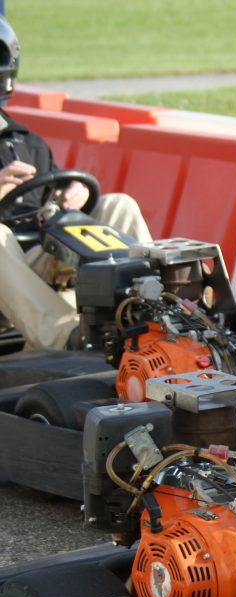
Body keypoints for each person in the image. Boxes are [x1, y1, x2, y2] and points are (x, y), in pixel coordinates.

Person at [0, 15, 152, 350]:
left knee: (118, 205)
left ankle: (154, 311)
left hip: (38, 257)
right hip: (5, 269)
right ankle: (69, 338)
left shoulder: (24, 141)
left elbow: (50, 191)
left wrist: (73, 194)